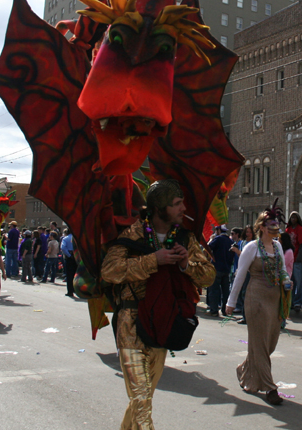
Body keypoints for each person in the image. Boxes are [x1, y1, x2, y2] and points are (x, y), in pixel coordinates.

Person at [101, 179, 215, 429]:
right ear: (160, 208)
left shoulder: (184, 238)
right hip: (130, 324)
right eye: (177, 204)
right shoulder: (132, 235)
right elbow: (109, 271)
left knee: (142, 398)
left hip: (161, 323)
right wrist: (154, 260)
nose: (183, 208)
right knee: (141, 399)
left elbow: (208, 276)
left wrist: (185, 265)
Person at [226, 201, 291, 406]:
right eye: (271, 225)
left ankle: (244, 369)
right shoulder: (251, 248)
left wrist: (286, 280)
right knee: (260, 344)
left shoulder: (278, 246)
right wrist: (231, 301)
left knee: (269, 343)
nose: (275, 228)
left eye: (277, 225)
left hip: (275, 300)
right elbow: (240, 275)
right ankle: (270, 388)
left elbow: (282, 270)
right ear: (262, 227)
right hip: (256, 299)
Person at [207, 224, 233, 316]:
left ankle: (214, 310)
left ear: (218, 230)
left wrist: (211, 239)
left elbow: (208, 247)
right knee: (225, 291)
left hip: (216, 268)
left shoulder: (217, 239)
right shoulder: (230, 241)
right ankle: (224, 310)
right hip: (226, 269)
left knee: (214, 290)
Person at [286, 211, 302, 312]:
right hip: (289, 260)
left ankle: (298, 302)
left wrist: (300, 258)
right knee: (290, 282)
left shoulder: (300, 229)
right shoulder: (288, 229)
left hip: (297, 260)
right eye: (292, 217)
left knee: (299, 282)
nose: (293, 219)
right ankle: (290, 301)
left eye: (295, 217)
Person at [61, 228, 77, 296]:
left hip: (69, 257)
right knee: (76, 273)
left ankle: (70, 291)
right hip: (77, 256)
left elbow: (63, 248)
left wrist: (69, 255)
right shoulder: (76, 238)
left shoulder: (65, 238)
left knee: (69, 275)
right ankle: (76, 289)